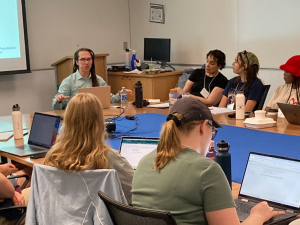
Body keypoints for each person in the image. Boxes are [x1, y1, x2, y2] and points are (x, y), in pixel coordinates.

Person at [132, 97, 283, 225]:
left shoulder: (145, 162)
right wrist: (258, 215)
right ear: (204, 127)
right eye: (213, 131)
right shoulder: (206, 170)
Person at [46, 93, 134, 204]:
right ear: (99, 124)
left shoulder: (53, 156)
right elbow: (136, 191)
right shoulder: (109, 158)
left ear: (67, 121)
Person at [52, 48, 132, 110]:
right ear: (77, 62)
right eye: (83, 59)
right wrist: (58, 100)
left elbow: (109, 100)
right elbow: (56, 107)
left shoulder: (98, 80)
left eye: (89, 59)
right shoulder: (68, 81)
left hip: (96, 115)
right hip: (76, 117)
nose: (86, 62)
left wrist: (120, 95)